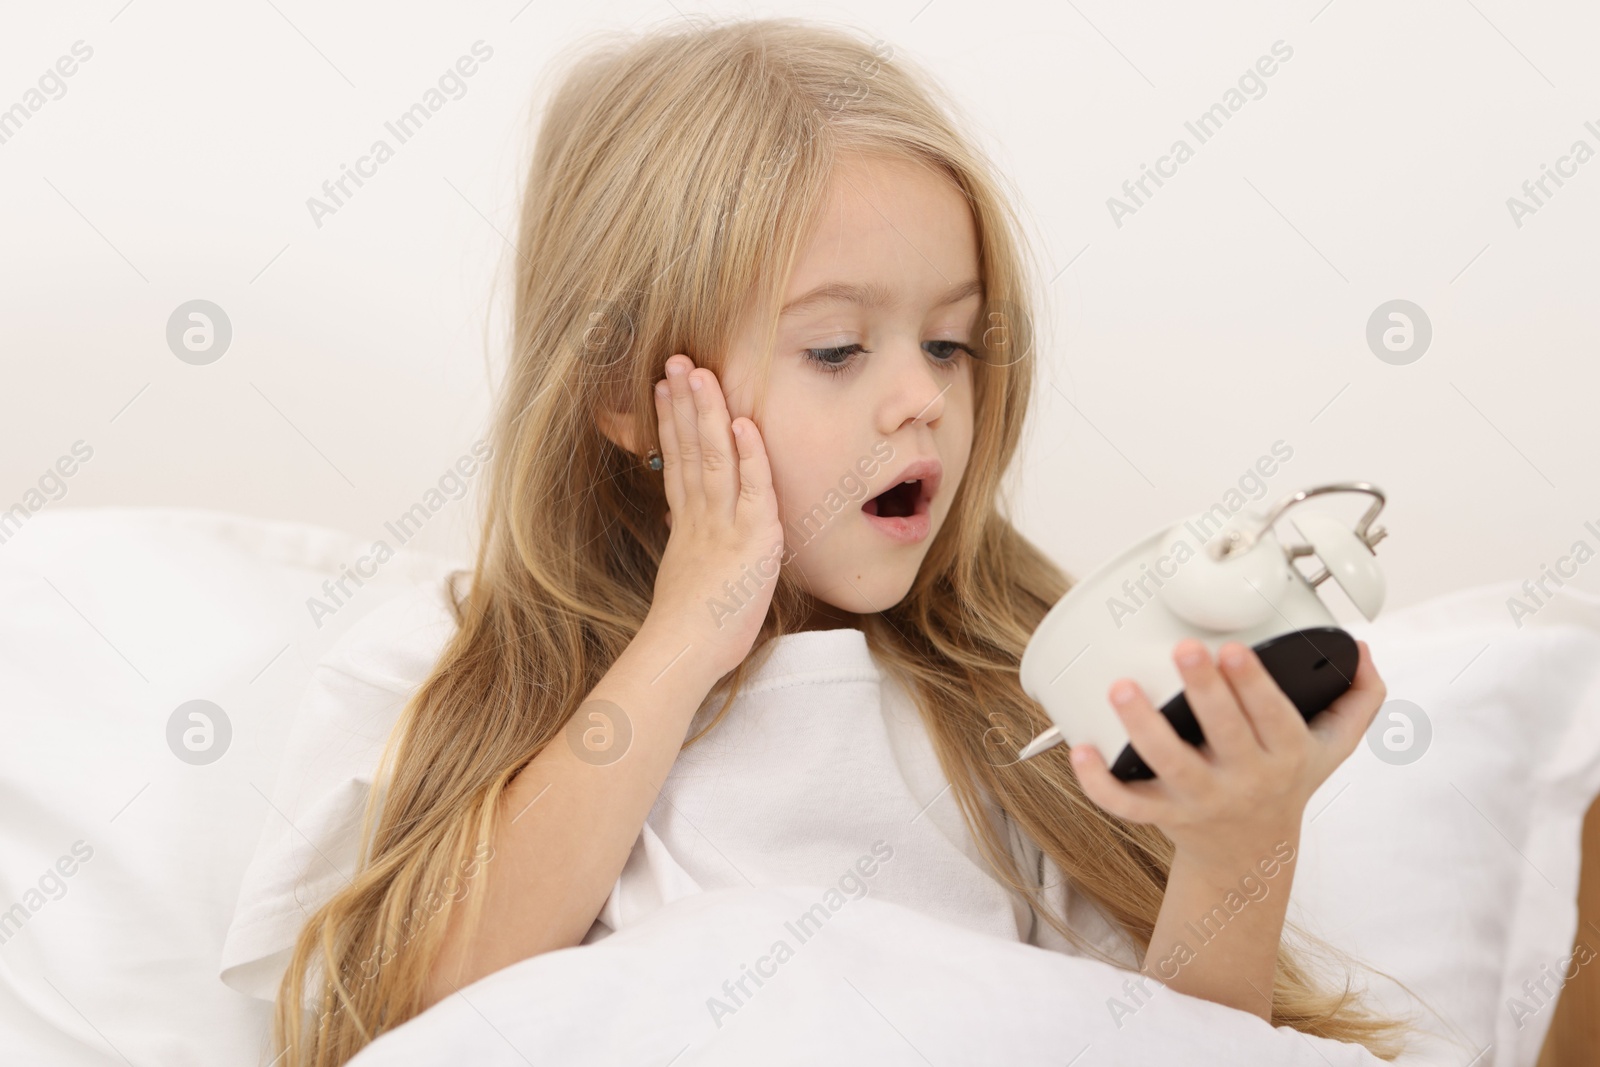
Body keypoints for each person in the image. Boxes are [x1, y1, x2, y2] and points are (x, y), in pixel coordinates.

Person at [262, 15, 1420, 1065]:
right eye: (835, 350)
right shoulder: (446, 662)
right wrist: (684, 636)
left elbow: (1179, 1048)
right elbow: (420, 1012)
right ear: (624, 394)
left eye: (951, 344)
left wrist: (1237, 844)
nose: (920, 397)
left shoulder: (1014, 685)